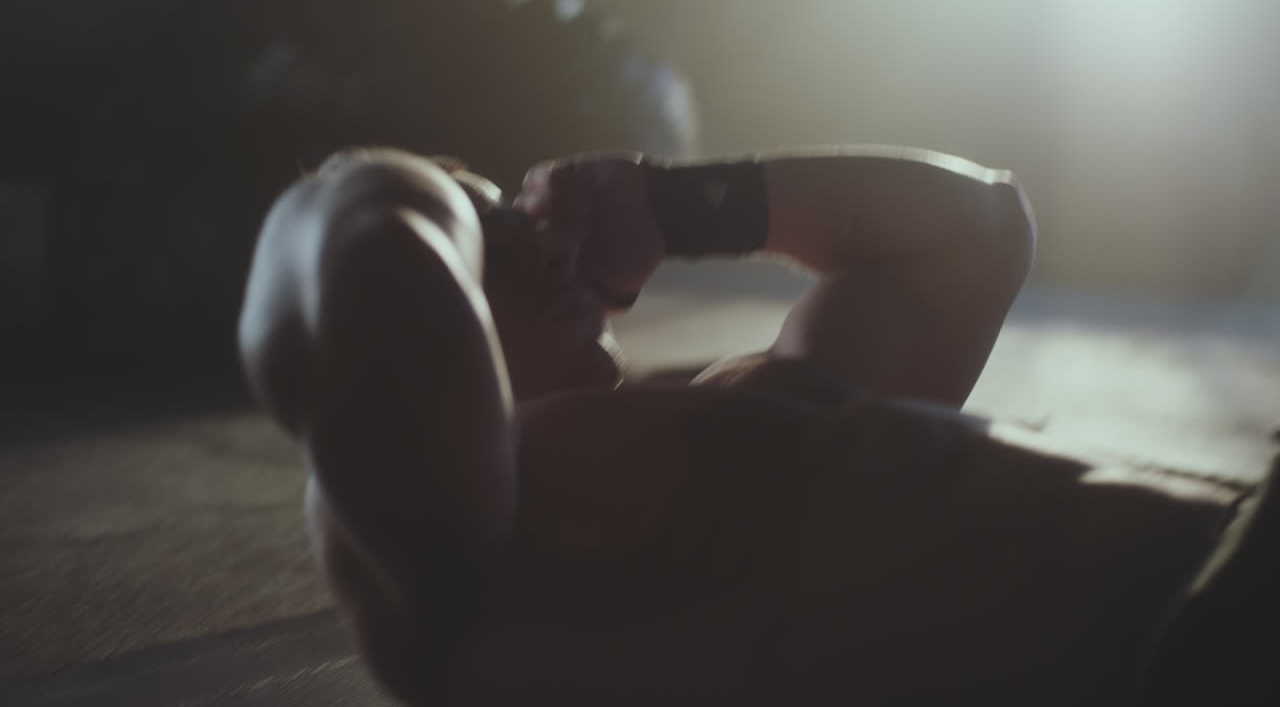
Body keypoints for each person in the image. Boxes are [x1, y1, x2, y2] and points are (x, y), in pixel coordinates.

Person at [238, 146, 1237, 705]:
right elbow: (363, 260)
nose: (543, 239)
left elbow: (975, 233)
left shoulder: (752, 398)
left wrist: (678, 207)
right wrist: (416, 182)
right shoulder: (441, 556)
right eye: (488, 231)